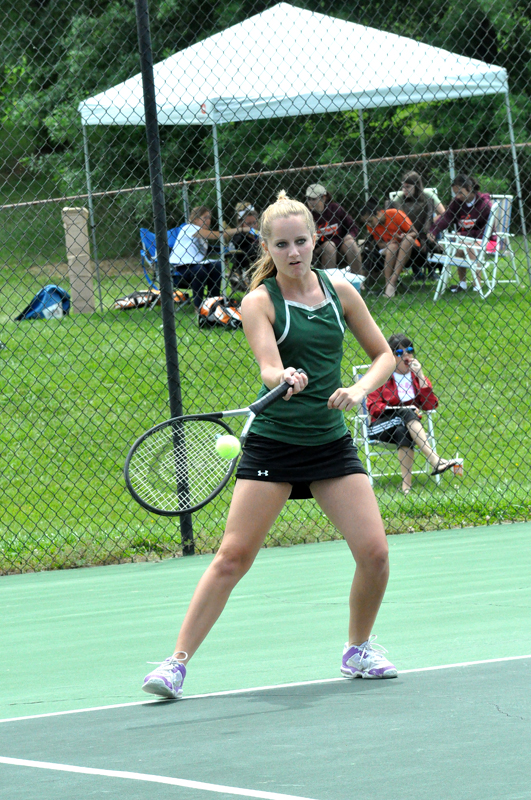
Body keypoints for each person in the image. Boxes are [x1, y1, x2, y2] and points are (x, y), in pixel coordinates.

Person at [142, 190, 398, 700]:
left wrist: (359, 390)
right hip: (274, 444)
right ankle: (175, 663)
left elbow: (384, 355)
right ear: (267, 247)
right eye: (282, 245)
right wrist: (284, 374)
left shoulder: (341, 291)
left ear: (315, 239)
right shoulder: (259, 300)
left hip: (328, 444)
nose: (295, 252)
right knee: (233, 557)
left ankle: (358, 648)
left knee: (375, 553)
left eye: (302, 241)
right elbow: (266, 364)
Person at [367, 334, 459, 495]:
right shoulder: (382, 376)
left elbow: (430, 405)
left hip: (406, 428)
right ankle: (434, 459)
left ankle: (406, 487)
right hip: (381, 427)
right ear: (392, 357)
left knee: (404, 430)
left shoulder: (415, 378)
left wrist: (421, 376)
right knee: (406, 412)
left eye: (409, 350)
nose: (406, 355)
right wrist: (399, 410)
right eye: (400, 353)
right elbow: (373, 407)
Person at [427, 174, 492, 294]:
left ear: (470, 187)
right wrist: (433, 231)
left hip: (484, 239)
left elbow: (486, 230)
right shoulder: (457, 203)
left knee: (467, 246)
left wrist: (465, 235)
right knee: (460, 246)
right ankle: (462, 284)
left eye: (460, 192)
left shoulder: (485, 204)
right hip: (463, 240)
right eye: (456, 193)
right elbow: (446, 218)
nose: (458, 196)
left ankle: (477, 284)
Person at [169, 206, 237, 310]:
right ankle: (199, 307)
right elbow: (217, 235)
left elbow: (210, 249)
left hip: (194, 265)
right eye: (205, 217)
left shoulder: (201, 234)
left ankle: (213, 303)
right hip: (179, 268)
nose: (208, 220)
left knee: (217, 266)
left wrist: (226, 250)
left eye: (209, 217)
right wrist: (240, 230)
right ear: (195, 219)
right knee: (200, 271)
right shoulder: (189, 228)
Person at [360, 201, 420, 298]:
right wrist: (389, 243)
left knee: (407, 239)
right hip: (391, 249)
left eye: (370, 221)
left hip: (410, 248)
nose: (369, 225)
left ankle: (392, 281)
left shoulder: (395, 214)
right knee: (392, 247)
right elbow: (380, 244)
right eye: (366, 222)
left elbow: (414, 233)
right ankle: (389, 285)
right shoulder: (371, 226)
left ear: (379, 213)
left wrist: (402, 237)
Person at [305, 184, 363, 276]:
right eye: (308, 199)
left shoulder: (335, 209)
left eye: (314, 199)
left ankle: (357, 279)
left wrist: (350, 235)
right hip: (319, 249)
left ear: (323, 198)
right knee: (329, 245)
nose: (310, 202)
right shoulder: (307, 214)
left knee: (351, 244)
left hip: (340, 245)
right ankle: (329, 282)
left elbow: (353, 226)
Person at [228, 202, 261, 289]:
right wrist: (245, 233)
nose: (252, 226)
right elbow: (236, 243)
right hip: (245, 260)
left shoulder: (259, 234)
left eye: (254, 223)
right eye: (248, 224)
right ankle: (238, 277)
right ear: (241, 224)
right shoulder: (238, 235)